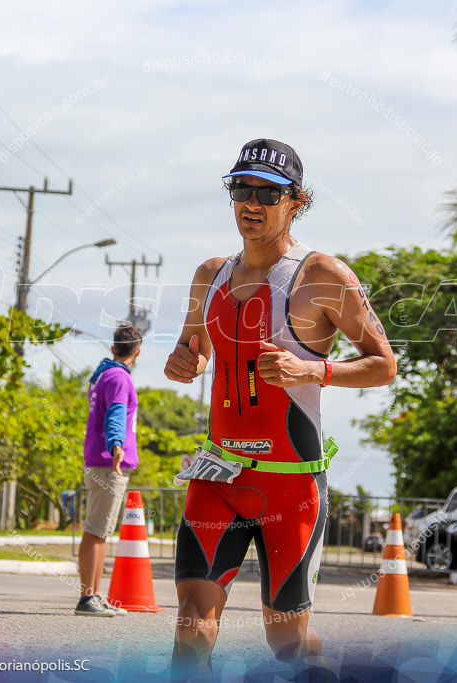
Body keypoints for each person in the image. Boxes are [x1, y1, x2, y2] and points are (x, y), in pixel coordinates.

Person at [164, 138, 397, 676]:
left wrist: (314, 370)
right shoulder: (210, 274)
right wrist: (186, 364)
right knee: (191, 625)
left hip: (289, 484)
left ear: (297, 200)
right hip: (218, 476)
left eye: (268, 193)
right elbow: (194, 352)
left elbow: (383, 365)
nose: (252, 202)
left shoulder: (324, 277)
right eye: (241, 188)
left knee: (287, 643)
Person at [75, 324, 142, 617]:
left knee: (101, 532)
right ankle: (87, 597)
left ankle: (95, 596)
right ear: (137, 352)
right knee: (96, 531)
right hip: (108, 461)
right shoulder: (118, 377)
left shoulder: (105, 374)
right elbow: (116, 412)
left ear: (114, 348)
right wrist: (117, 446)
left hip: (100, 460)